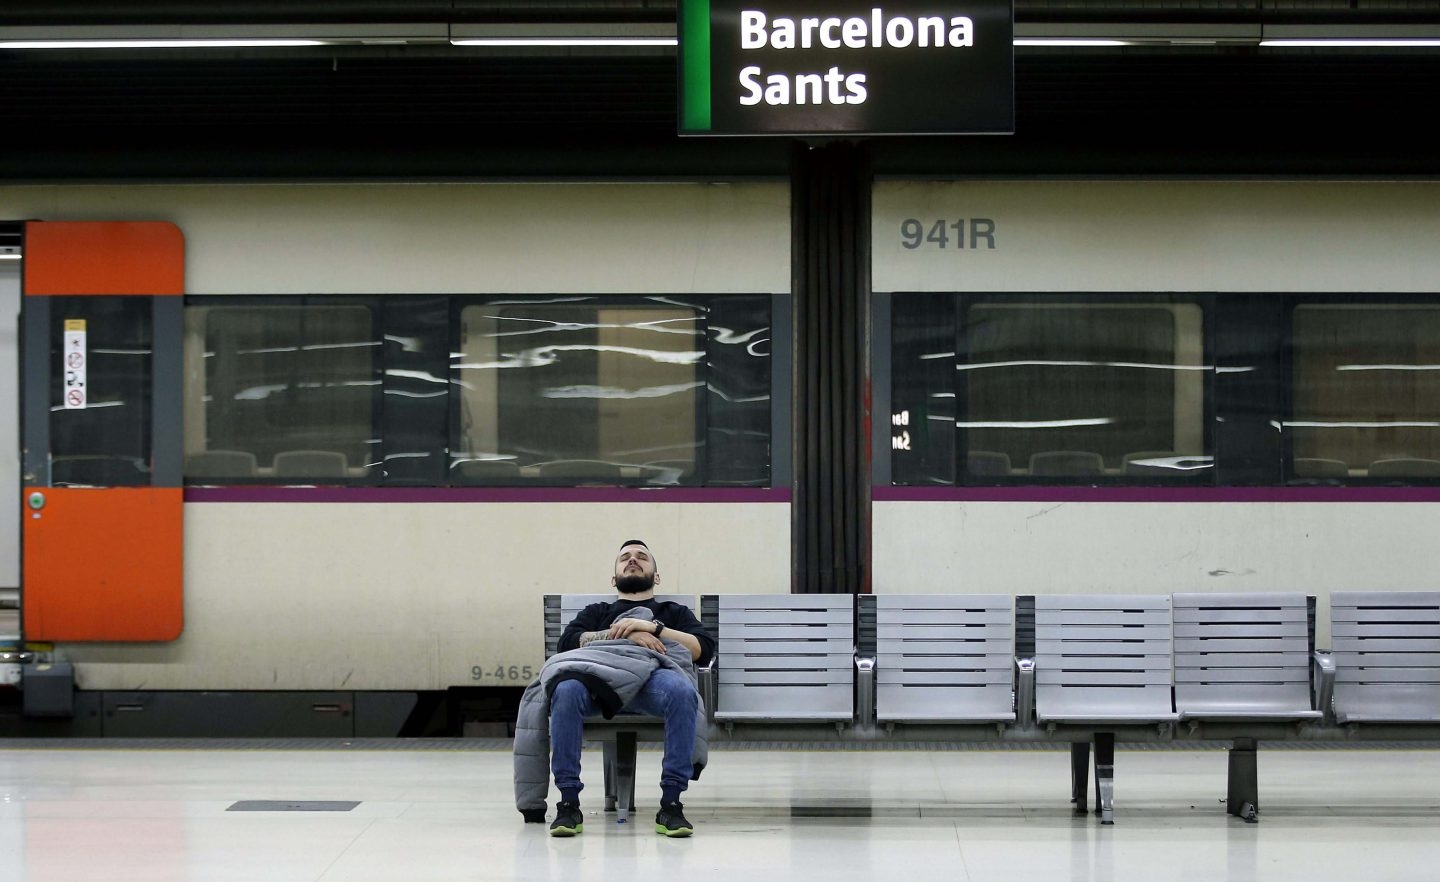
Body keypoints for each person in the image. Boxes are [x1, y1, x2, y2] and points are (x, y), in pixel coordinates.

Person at [546, 539, 714, 838]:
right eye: (625, 557)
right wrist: (626, 635)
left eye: (641, 557)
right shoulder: (598, 611)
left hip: (652, 684)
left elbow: (702, 649)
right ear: (614, 578)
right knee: (567, 689)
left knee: (682, 690)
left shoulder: (671, 611)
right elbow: (567, 643)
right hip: (600, 684)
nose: (632, 560)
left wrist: (653, 628)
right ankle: (568, 803)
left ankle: (671, 804)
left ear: (656, 576)